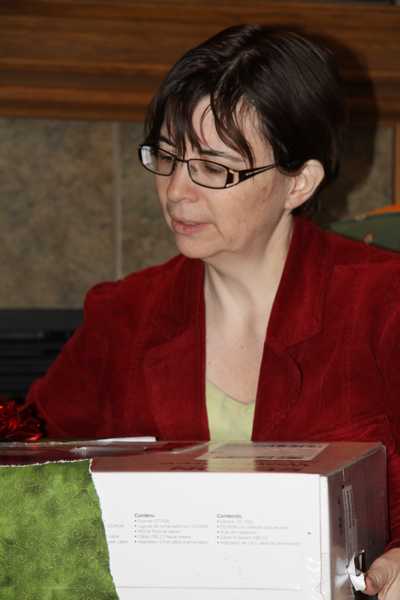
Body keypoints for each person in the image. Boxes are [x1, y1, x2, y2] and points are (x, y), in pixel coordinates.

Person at [25, 24, 400, 597]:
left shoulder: (383, 303)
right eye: (168, 156)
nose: (177, 190)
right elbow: (31, 476)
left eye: (215, 167)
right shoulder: (124, 315)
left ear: (298, 183)